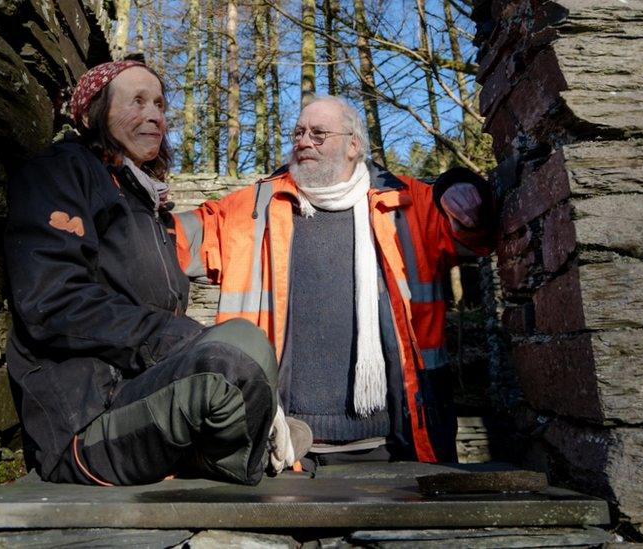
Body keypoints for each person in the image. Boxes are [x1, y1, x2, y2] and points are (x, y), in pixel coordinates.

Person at [3, 60, 308, 487]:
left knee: (246, 343)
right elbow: (52, 301)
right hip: (85, 417)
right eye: (138, 101)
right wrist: (181, 339)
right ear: (94, 112)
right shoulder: (60, 172)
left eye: (160, 104)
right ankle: (241, 446)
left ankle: (247, 433)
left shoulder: (143, 201)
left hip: (138, 392)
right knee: (234, 355)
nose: (155, 116)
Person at [174, 96, 494, 466]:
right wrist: (129, 202)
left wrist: (462, 186)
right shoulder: (253, 208)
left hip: (395, 445)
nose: (304, 141)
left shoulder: (409, 203)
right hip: (283, 448)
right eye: (299, 132)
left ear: (353, 145)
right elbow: (169, 241)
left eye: (319, 133)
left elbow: (477, 236)